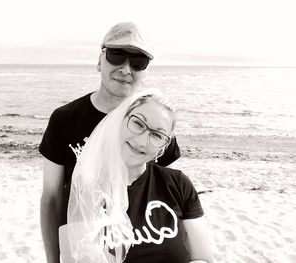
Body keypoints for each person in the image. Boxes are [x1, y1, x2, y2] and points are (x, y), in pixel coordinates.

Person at [39, 22, 181, 263]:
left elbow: (166, 196)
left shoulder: (155, 129)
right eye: (116, 56)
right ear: (99, 61)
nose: (126, 69)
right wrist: (53, 260)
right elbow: (51, 197)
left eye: (138, 62)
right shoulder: (64, 119)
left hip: (139, 244)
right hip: (80, 247)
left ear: (145, 73)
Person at [59, 89, 213, 263]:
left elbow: (203, 258)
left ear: (163, 147)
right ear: (120, 120)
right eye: (138, 124)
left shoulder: (178, 184)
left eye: (157, 135)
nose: (142, 140)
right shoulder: (84, 189)